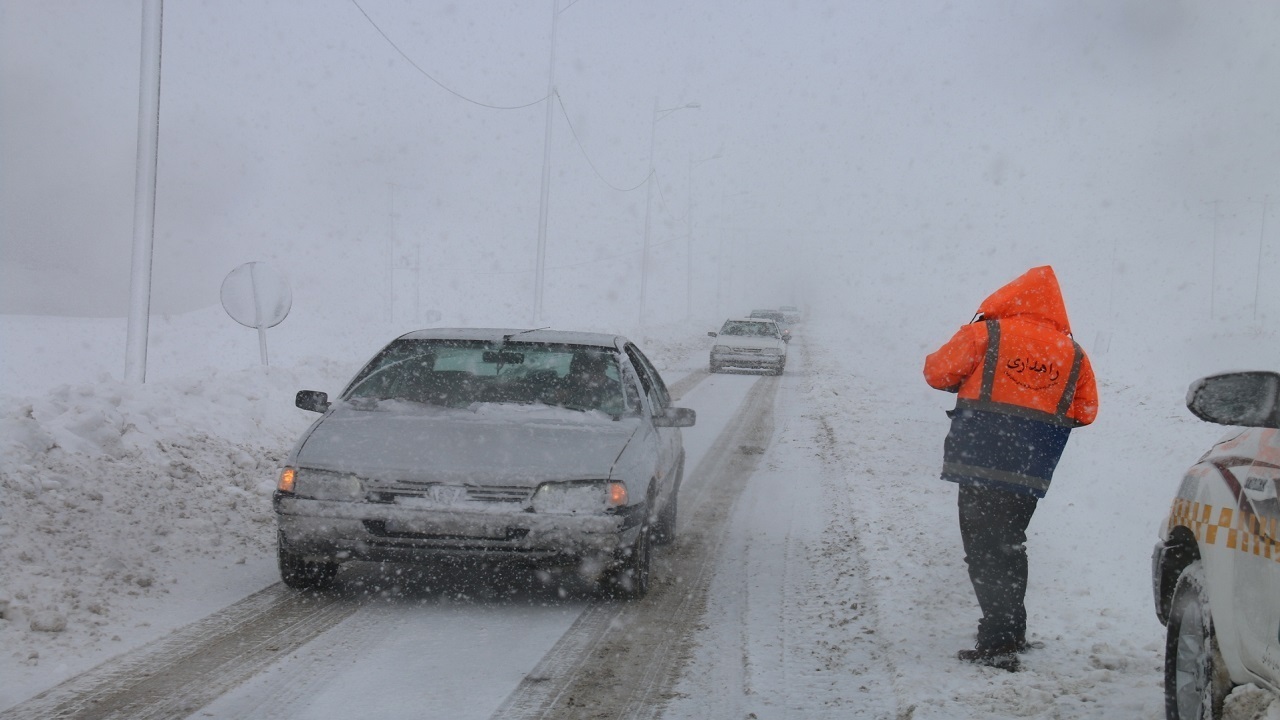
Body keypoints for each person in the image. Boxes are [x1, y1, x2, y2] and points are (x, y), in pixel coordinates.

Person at [923, 265, 1098, 672]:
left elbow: (937, 373)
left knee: (983, 548)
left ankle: (998, 641)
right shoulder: (1072, 352)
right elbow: (1086, 411)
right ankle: (1012, 629)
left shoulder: (986, 335)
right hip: (1032, 465)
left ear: (1008, 297)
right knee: (1010, 542)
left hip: (981, 456)